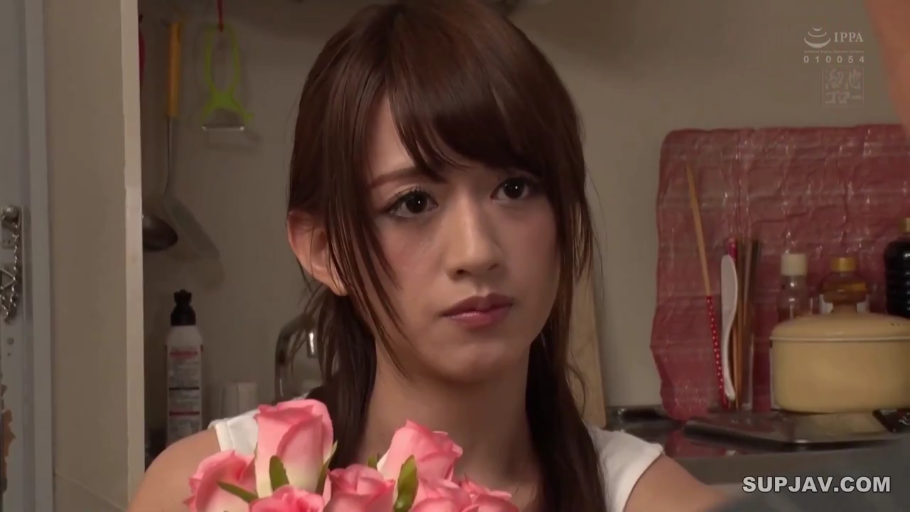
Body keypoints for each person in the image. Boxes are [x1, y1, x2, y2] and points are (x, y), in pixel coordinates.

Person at [128, 1, 728, 511]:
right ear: (324, 249)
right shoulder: (210, 490)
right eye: (413, 202)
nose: (476, 251)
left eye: (514, 188)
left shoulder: (649, 499)